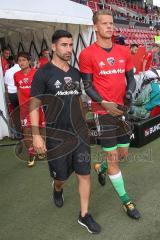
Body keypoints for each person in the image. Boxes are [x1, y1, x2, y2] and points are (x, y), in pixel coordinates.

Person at [30, 30, 101, 234]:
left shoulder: (75, 73)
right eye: (64, 45)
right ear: (53, 47)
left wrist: (85, 123)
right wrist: (36, 135)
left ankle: (84, 215)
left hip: (78, 132)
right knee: (62, 176)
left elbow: (78, 100)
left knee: (84, 173)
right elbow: (34, 106)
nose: (69, 49)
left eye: (71, 45)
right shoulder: (43, 74)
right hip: (57, 136)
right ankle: (57, 187)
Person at [79, 10, 141, 220]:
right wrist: (103, 102)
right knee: (113, 157)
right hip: (102, 111)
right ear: (95, 27)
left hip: (121, 110)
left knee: (122, 153)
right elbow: (87, 85)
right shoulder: (87, 54)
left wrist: (130, 91)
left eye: (111, 23)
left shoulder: (124, 51)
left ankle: (100, 167)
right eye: (104, 23)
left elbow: (130, 78)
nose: (109, 27)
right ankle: (127, 202)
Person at [14, 52, 45, 167]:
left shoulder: (37, 73)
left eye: (23, 60)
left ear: (29, 61)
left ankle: (41, 149)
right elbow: (18, 90)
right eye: (19, 60)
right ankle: (31, 154)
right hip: (24, 108)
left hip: (37, 106)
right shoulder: (16, 75)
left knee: (40, 129)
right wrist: (20, 104)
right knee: (26, 131)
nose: (21, 62)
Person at [4, 56, 21, 138]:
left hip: (12, 94)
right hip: (20, 93)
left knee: (16, 113)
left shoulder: (8, 71)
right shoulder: (21, 70)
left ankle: (19, 133)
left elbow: (6, 84)